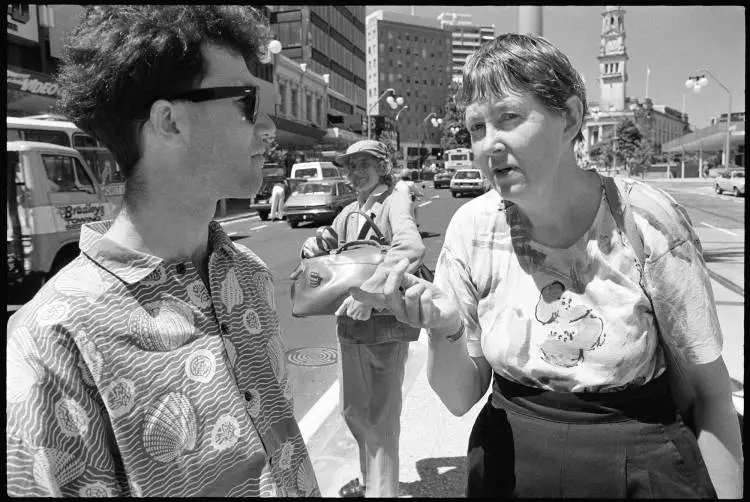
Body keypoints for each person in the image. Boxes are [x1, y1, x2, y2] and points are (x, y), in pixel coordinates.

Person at [350, 34, 742, 498]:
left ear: (570, 118)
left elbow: (710, 394)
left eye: (509, 118)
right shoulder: (471, 229)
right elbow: (459, 398)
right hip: (508, 465)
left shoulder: (645, 219)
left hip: (640, 464)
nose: (489, 144)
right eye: (477, 128)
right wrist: (445, 327)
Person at [6, 6, 319, 497]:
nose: (268, 128)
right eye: (247, 103)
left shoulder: (250, 275)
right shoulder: (55, 337)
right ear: (169, 121)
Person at [294, 140, 425, 497]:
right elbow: (332, 240)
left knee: (381, 419)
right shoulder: (353, 208)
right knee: (354, 410)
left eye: (363, 163)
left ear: (382, 165)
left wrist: (373, 295)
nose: (354, 172)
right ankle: (370, 481)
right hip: (351, 324)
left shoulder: (395, 199)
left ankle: (381, 491)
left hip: (383, 322)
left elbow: (410, 248)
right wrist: (312, 248)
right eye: (349, 166)